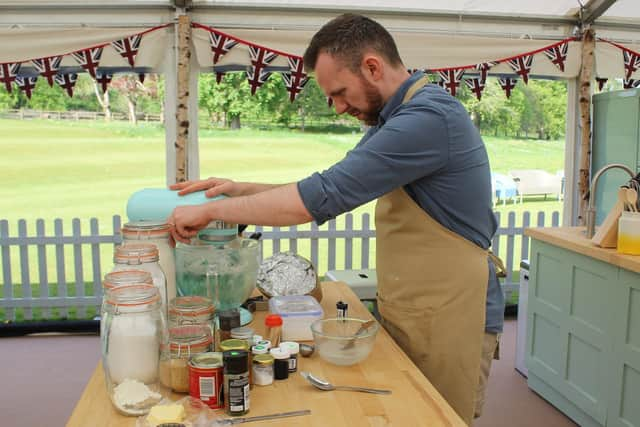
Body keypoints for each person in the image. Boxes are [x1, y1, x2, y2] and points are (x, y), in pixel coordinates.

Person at [167, 13, 504, 425]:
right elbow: (326, 184)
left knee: (439, 417)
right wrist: (241, 190)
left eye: (340, 92)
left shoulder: (428, 119)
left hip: (454, 315)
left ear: (372, 67)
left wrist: (213, 210)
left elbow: (319, 198)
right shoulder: (395, 120)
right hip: (421, 307)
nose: (339, 106)